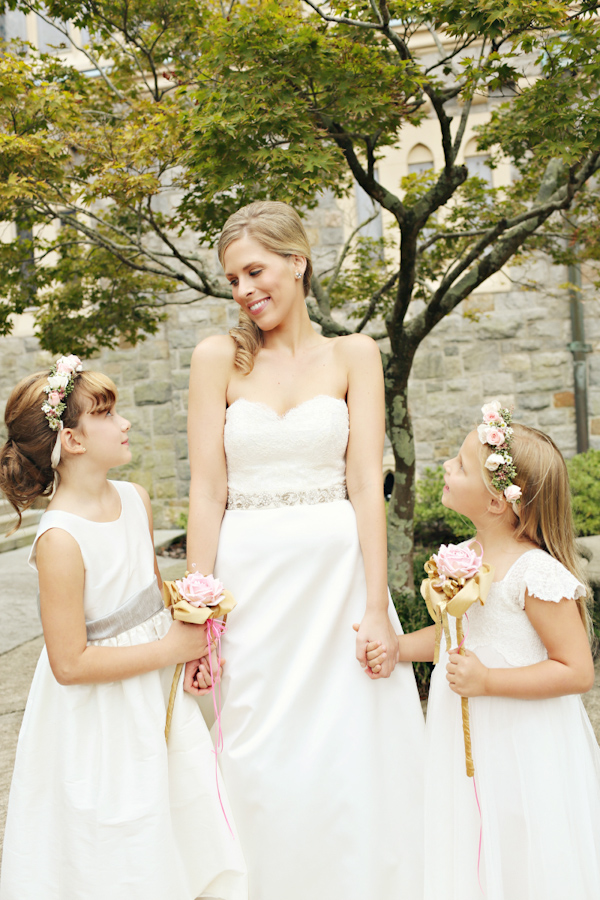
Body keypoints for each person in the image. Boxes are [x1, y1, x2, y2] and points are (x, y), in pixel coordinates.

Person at [184, 200, 425, 900]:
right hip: (250, 585)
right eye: (232, 279)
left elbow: (363, 483)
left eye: (255, 270)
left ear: (298, 261)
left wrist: (379, 607)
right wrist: (201, 616)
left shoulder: (353, 355)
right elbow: (206, 490)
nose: (244, 290)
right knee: (259, 754)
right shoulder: (215, 359)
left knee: (351, 754)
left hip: (338, 584)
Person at [0, 356, 247, 900]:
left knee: (182, 807)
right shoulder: (61, 539)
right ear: (74, 440)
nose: (124, 422)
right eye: (107, 413)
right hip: (100, 715)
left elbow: (155, 597)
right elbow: (70, 663)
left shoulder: (135, 500)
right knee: (120, 829)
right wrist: (170, 648)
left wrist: (192, 645)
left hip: (157, 695)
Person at [368, 401, 600, 900]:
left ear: (498, 501)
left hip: (521, 737)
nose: (447, 468)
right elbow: (458, 638)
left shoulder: (535, 574)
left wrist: (489, 681)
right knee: (472, 831)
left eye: (460, 464)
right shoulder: (465, 557)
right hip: (468, 734)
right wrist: (396, 648)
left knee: (520, 835)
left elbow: (577, 670)